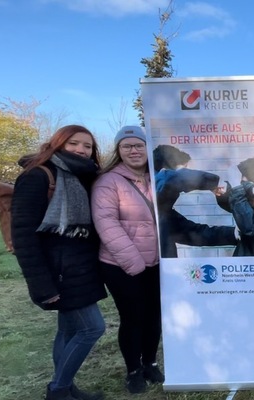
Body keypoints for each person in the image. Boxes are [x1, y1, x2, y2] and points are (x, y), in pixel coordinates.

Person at [10, 124, 107, 400]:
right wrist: (42, 284)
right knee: (92, 328)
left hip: (82, 268)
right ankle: (59, 391)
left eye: (87, 146)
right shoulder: (37, 176)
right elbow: (24, 238)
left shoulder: (83, 177)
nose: (81, 150)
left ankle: (65, 384)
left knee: (69, 329)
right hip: (58, 272)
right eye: (74, 143)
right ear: (58, 143)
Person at [91, 126, 164, 394]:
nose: (134, 150)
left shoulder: (156, 179)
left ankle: (151, 362)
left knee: (154, 316)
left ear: (148, 149)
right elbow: (106, 223)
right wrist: (133, 262)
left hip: (157, 263)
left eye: (138, 145)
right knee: (133, 318)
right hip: (122, 266)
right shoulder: (108, 182)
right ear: (119, 151)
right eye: (127, 146)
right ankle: (133, 370)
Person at [152, 144, 239, 258]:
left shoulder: (163, 213)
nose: (187, 174)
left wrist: (233, 233)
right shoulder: (157, 185)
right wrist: (216, 183)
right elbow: (171, 179)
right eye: (184, 169)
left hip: (164, 271)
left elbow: (194, 232)